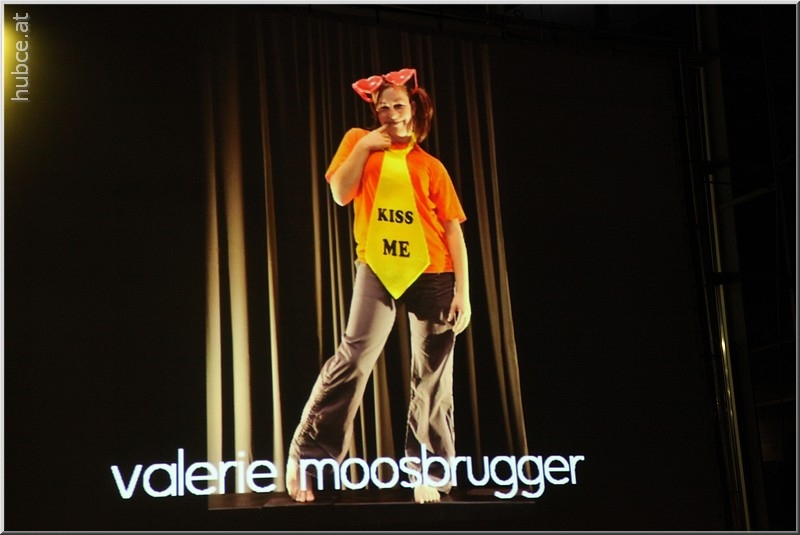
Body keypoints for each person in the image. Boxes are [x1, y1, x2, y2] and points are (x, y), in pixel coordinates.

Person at [286, 67, 470, 504]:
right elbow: (340, 193)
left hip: (433, 271)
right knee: (353, 359)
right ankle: (309, 460)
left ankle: (429, 472)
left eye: (398, 105)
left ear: (413, 109)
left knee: (433, 376)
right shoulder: (358, 141)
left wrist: (463, 293)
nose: (391, 113)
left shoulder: (431, 166)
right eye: (383, 107)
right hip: (378, 267)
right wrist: (367, 145)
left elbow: (452, 230)